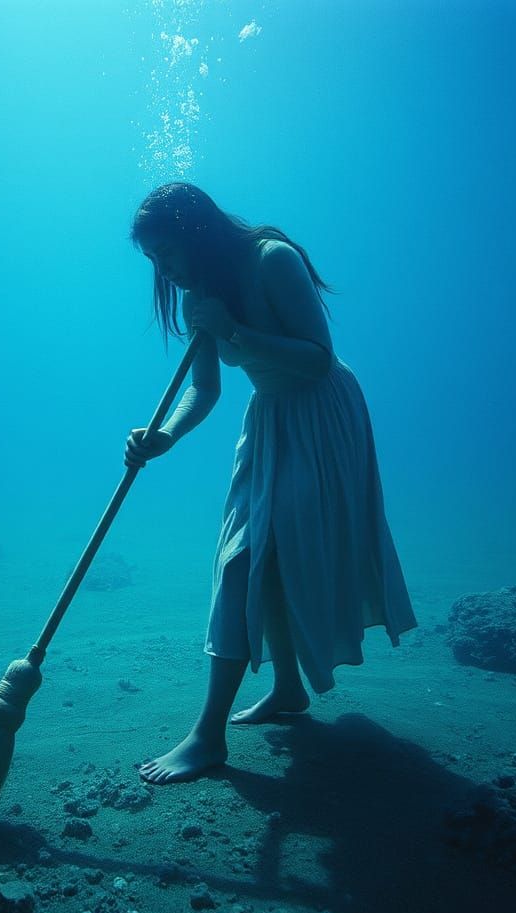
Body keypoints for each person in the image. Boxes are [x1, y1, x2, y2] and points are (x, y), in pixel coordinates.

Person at [126, 182, 417, 785]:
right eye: (152, 259)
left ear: (196, 233)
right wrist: (165, 438)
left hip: (322, 416)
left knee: (251, 560)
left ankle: (207, 737)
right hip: (267, 424)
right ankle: (287, 689)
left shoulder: (271, 260)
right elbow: (204, 390)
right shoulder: (196, 298)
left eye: (167, 253)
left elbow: (317, 357)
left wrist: (233, 330)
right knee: (249, 557)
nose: (163, 270)